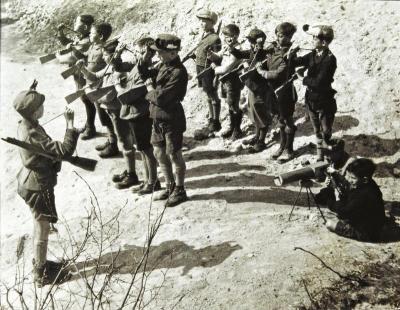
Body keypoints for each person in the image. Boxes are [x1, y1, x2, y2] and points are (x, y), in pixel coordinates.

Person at [14, 82, 79, 287]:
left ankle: (40, 264)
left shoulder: (25, 124)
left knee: (39, 224)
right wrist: (70, 126)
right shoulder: (32, 132)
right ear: (34, 111)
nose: (43, 108)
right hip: (37, 186)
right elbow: (64, 150)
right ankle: (41, 274)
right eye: (40, 105)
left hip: (29, 181)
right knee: (42, 227)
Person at [77, 39, 139, 189]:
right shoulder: (109, 68)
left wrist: (97, 97)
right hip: (113, 111)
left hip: (120, 112)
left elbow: (112, 95)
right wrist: (84, 70)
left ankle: (132, 175)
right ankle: (130, 170)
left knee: (126, 141)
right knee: (128, 141)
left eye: (105, 55)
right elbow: (95, 76)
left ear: (113, 56)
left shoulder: (122, 71)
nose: (103, 57)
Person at [138, 34, 189, 207]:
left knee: (174, 155)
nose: (158, 55)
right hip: (157, 116)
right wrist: (144, 60)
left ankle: (180, 190)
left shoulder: (178, 72)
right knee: (159, 153)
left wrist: (149, 88)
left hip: (171, 117)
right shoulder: (164, 65)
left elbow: (161, 98)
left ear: (173, 53)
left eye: (161, 52)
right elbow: (146, 73)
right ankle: (170, 186)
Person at [117, 37, 161, 195]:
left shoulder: (145, 67)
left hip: (140, 114)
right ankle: (148, 180)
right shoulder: (138, 65)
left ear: (146, 53)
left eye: (138, 51)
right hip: (134, 113)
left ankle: (153, 182)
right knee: (142, 149)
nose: (135, 54)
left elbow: (143, 65)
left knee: (147, 150)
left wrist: (147, 53)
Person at [316, 145, 386, 242]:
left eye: (352, 178)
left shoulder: (362, 195)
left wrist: (336, 199)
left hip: (366, 233)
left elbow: (342, 214)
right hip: (373, 222)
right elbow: (349, 190)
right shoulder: (369, 184)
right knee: (327, 194)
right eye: (348, 176)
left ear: (365, 179)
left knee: (329, 223)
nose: (349, 180)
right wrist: (336, 176)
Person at [74, 22, 119, 156]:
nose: (90, 35)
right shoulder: (94, 46)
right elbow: (85, 56)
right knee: (103, 117)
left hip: (102, 88)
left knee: (105, 117)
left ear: (100, 36)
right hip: (93, 86)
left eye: (92, 33)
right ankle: (110, 139)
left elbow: (108, 70)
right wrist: (75, 52)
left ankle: (113, 145)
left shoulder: (106, 50)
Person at [293, 25, 337, 161]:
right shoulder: (313, 54)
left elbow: (319, 82)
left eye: (314, 38)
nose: (312, 40)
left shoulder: (330, 59)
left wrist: (302, 78)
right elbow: (298, 61)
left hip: (324, 100)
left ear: (323, 43)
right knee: (316, 128)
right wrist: (291, 55)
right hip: (311, 98)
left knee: (325, 130)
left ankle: (326, 153)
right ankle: (320, 154)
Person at [230, 28, 271, 152]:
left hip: (260, 88)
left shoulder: (263, 52)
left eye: (252, 41)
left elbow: (260, 59)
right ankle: (257, 136)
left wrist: (259, 45)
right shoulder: (254, 50)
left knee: (260, 112)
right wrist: (232, 48)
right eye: (250, 41)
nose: (251, 44)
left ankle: (262, 141)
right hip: (252, 86)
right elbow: (241, 54)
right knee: (254, 112)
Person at [268, 22, 299, 162]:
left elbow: (286, 70)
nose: (278, 38)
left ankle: (289, 150)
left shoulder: (291, 52)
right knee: (280, 120)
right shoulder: (276, 49)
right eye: (277, 35)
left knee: (288, 120)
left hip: (285, 91)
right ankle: (281, 146)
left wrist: (291, 57)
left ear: (289, 37)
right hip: (274, 90)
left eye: (281, 36)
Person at [209, 24, 244, 140]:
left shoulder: (238, 49)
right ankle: (232, 126)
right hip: (225, 80)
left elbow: (226, 68)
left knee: (234, 105)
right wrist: (210, 54)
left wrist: (215, 68)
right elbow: (218, 56)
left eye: (229, 36)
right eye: (224, 36)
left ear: (235, 36)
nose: (226, 39)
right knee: (230, 104)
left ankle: (237, 130)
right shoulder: (226, 47)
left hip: (233, 80)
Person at [194, 9, 222, 133]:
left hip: (208, 70)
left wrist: (216, 76)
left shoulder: (215, 38)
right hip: (200, 67)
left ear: (212, 23)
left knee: (213, 94)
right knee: (208, 94)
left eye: (204, 21)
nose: (201, 23)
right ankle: (211, 118)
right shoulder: (203, 35)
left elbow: (218, 59)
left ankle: (216, 121)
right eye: (200, 20)